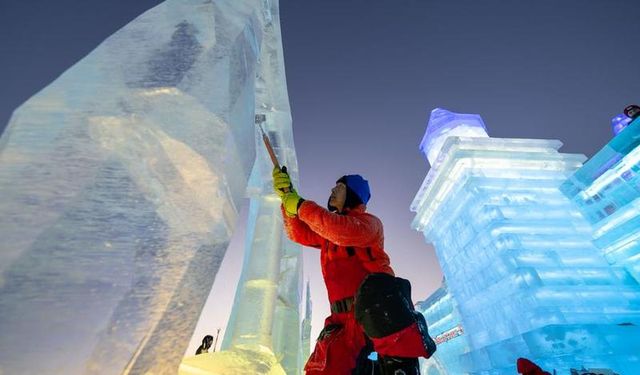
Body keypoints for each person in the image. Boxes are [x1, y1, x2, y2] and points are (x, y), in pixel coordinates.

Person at [273, 167, 436, 375]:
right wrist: (287, 199)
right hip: (341, 320)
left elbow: (341, 230)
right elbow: (300, 233)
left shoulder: (369, 224)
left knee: (380, 294)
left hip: (378, 312)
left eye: (340, 187)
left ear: (352, 194)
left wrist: (300, 205)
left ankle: (399, 368)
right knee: (325, 367)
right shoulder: (327, 234)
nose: (332, 189)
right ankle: (369, 371)